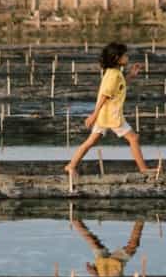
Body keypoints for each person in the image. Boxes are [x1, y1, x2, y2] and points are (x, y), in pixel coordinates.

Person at [64, 41, 150, 176]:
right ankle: (144, 169)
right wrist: (93, 115)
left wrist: (132, 75)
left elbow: (119, 86)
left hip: (105, 115)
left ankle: (71, 165)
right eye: (125, 55)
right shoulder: (113, 75)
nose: (127, 57)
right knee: (133, 138)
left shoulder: (114, 73)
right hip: (111, 115)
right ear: (117, 58)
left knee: (90, 141)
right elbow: (104, 96)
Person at [72, 216, 145, 277]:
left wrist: (95, 274)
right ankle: (75, 220)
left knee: (93, 242)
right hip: (111, 265)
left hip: (106, 266)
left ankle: (75, 220)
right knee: (93, 241)